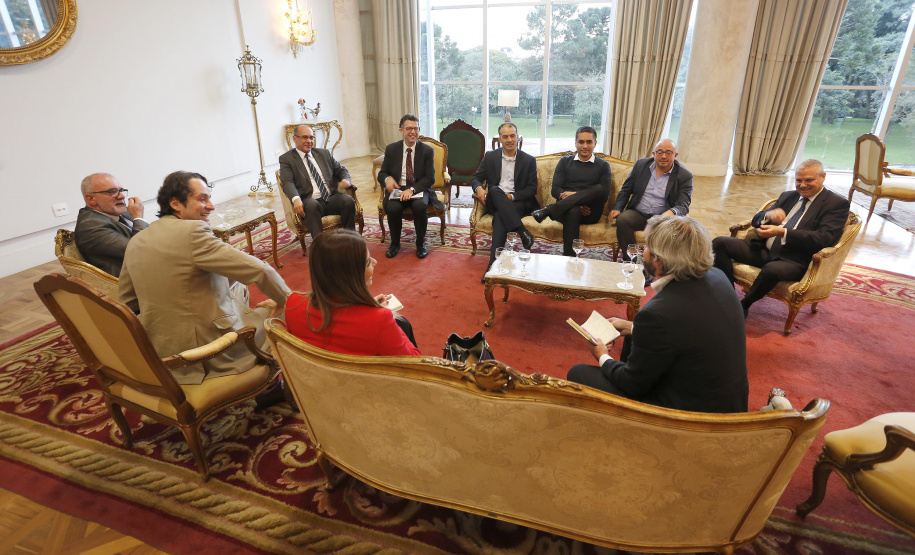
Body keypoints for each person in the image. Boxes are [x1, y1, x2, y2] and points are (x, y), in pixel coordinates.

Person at [119, 171, 290, 385]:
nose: (211, 206)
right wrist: (291, 302)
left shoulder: (136, 240)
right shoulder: (193, 232)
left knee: (238, 288)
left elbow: (127, 303)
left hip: (164, 351)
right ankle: (271, 386)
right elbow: (261, 270)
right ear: (176, 204)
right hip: (210, 353)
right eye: (202, 199)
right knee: (286, 313)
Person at [567, 215, 748, 413]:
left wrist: (602, 356)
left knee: (578, 374)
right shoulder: (718, 276)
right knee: (632, 336)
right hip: (728, 403)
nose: (643, 252)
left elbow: (631, 385)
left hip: (691, 416)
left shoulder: (658, 314)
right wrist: (633, 327)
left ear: (659, 261)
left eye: (645, 247)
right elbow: (690, 328)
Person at [711, 159, 850, 317]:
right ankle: (729, 296)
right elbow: (757, 220)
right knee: (720, 242)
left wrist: (782, 232)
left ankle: (743, 305)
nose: (802, 185)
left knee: (772, 270)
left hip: (794, 260)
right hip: (765, 251)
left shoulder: (836, 204)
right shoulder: (788, 196)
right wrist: (767, 215)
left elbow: (825, 238)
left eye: (809, 180)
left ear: (823, 177)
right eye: (799, 180)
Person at [286, 229, 421, 356]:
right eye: (368, 262)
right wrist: (381, 312)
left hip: (315, 378)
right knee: (403, 324)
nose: (375, 262)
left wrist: (366, 307)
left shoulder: (292, 304)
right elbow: (415, 363)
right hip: (369, 380)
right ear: (350, 275)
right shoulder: (380, 321)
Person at [471, 122, 538, 280]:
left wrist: (512, 196)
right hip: (495, 199)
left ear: (517, 137)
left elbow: (531, 189)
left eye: (512, 136)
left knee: (500, 217)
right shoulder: (490, 156)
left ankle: (492, 265)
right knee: (494, 189)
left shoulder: (528, 160)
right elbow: (475, 178)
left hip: (518, 202)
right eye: (505, 136)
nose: (509, 139)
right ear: (500, 138)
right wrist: (479, 189)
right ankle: (522, 231)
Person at [532, 126, 611, 256]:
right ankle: (569, 257)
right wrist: (576, 203)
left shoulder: (603, 165)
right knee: (574, 210)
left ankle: (548, 210)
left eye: (589, 142)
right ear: (575, 143)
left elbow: (603, 195)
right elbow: (555, 190)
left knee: (599, 188)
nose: (585, 146)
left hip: (590, 212)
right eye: (581, 142)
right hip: (565, 210)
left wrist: (574, 196)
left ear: (595, 143)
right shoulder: (564, 162)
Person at [610, 139, 693, 260]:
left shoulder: (684, 175)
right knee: (623, 219)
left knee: (669, 231)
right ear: (654, 154)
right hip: (638, 213)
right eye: (659, 152)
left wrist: (669, 213)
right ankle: (629, 260)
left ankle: (657, 264)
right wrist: (618, 208)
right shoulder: (641, 166)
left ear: (675, 155)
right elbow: (626, 190)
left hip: (662, 217)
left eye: (668, 152)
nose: (663, 156)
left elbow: (683, 204)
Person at [377, 114, 444, 259]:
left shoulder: (427, 150)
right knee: (393, 208)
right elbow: (382, 174)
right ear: (401, 131)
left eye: (416, 128)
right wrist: (387, 179)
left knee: (420, 206)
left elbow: (430, 178)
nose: (413, 132)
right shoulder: (391, 149)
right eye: (409, 128)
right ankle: (395, 244)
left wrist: (412, 190)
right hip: (398, 189)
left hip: (418, 189)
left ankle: (420, 244)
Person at [278, 124, 356, 240]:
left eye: (311, 137)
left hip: (330, 198)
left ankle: (351, 241)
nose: (309, 141)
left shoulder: (324, 153)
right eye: (305, 137)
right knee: (311, 206)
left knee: (348, 201)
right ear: (295, 139)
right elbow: (287, 182)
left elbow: (341, 170)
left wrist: (346, 180)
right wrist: (296, 199)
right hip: (310, 200)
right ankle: (320, 247)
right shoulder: (287, 159)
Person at [74, 173, 149, 276]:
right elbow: (140, 251)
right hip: (132, 279)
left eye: (121, 191)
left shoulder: (118, 211)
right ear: (91, 199)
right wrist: (138, 217)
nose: (122, 196)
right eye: (112, 192)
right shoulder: (90, 228)